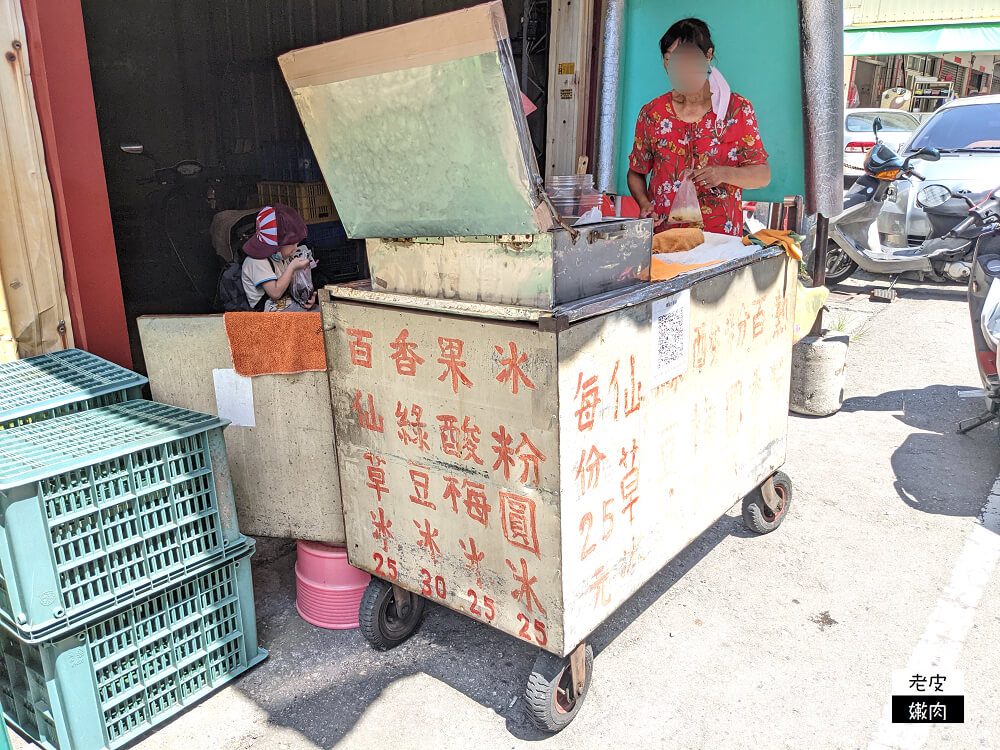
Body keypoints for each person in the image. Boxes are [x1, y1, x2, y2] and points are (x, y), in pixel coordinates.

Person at [627, 18, 771, 236]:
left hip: (719, 242)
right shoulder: (653, 114)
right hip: (664, 240)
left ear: (707, 56)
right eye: (669, 60)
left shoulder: (737, 109)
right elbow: (636, 172)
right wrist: (644, 204)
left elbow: (762, 175)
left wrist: (723, 173)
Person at [241, 204, 317, 311]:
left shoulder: (281, 258)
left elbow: (290, 287)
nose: (295, 249)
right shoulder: (256, 262)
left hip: (288, 305)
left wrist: (306, 299)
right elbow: (275, 293)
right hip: (268, 313)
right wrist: (292, 267)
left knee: (322, 313)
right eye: (292, 244)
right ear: (277, 246)